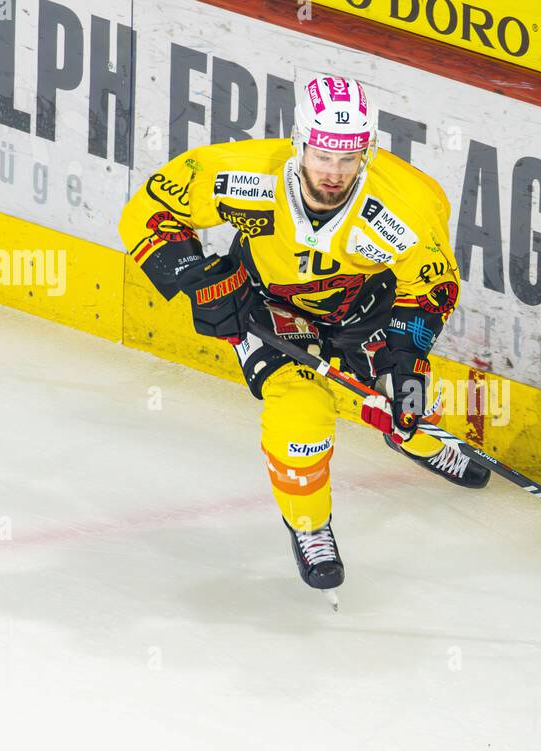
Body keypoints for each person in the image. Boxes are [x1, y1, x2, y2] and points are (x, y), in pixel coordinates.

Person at [119, 74, 488, 591]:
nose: (334, 173)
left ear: (369, 150)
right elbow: (149, 212)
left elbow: (431, 285)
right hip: (269, 310)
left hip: (367, 309)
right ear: (299, 142)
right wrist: (196, 278)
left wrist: (405, 357)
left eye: (348, 157)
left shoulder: (409, 205)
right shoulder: (242, 175)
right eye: (322, 155)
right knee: (301, 418)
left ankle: (417, 440)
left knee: (405, 403)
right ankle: (311, 525)